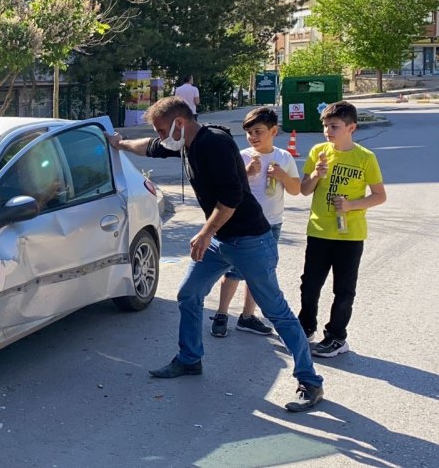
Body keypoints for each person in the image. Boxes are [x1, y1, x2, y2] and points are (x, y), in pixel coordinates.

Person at [108, 96, 323, 412]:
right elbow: (150, 147)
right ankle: (190, 358)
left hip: (250, 240)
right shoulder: (182, 141)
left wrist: (205, 233)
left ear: (180, 123)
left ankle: (311, 382)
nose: (162, 136)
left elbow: (232, 197)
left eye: (164, 130)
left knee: (276, 311)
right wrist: (120, 144)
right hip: (222, 240)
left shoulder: (215, 143)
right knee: (188, 294)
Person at [298, 101, 386, 358]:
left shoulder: (365, 158)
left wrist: (351, 205)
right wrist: (315, 174)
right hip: (319, 230)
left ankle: (336, 337)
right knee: (310, 284)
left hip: (350, 235)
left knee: (344, 289)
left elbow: (379, 195)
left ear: (351, 128)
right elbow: (304, 190)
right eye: (325, 126)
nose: (328, 131)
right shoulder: (318, 152)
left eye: (334, 126)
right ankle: (306, 326)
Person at [211, 107, 301, 338]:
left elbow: (295, 190)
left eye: (258, 131)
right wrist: (247, 173)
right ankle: (221, 314)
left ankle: (247, 317)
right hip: (243, 225)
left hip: (271, 224)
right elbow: (229, 190)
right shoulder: (241, 157)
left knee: (258, 273)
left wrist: (282, 176)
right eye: (249, 132)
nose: (253, 137)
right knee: (233, 271)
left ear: (274, 131)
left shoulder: (284, 157)